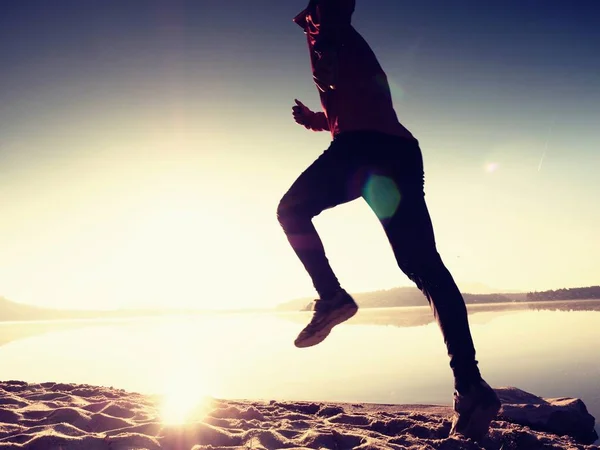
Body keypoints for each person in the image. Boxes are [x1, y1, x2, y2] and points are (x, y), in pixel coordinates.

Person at [276, 0, 501, 441]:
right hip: (395, 150)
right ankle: (470, 386)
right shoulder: (325, 32)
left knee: (291, 210)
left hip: (363, 150)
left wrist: (328, 22)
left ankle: (333, 297)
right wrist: (320, 121)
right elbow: (362, 100)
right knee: (424, 266)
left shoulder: (329, 24)